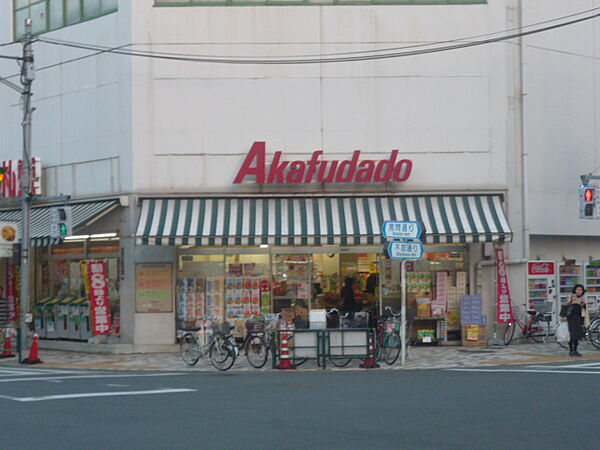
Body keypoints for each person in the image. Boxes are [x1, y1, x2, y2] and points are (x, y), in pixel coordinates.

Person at [560, 284, 589, 357]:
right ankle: (571, 350)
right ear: (575, 290)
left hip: (580, 318)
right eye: (577, 290)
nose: (579, 291)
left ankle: (575, 350)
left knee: (577, 335)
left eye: (580, 290)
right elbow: (565, 306)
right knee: (573, 335)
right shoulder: (571, 297)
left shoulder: (583, 299)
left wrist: (582, 303)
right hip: (571, 318)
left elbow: (584, 309)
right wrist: (563, 316)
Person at [0, 287, 10, 355]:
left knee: (2, 339)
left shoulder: (5, 301)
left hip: (4, 323)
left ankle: (2, 351)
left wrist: (8, 321)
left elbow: (7, 312)